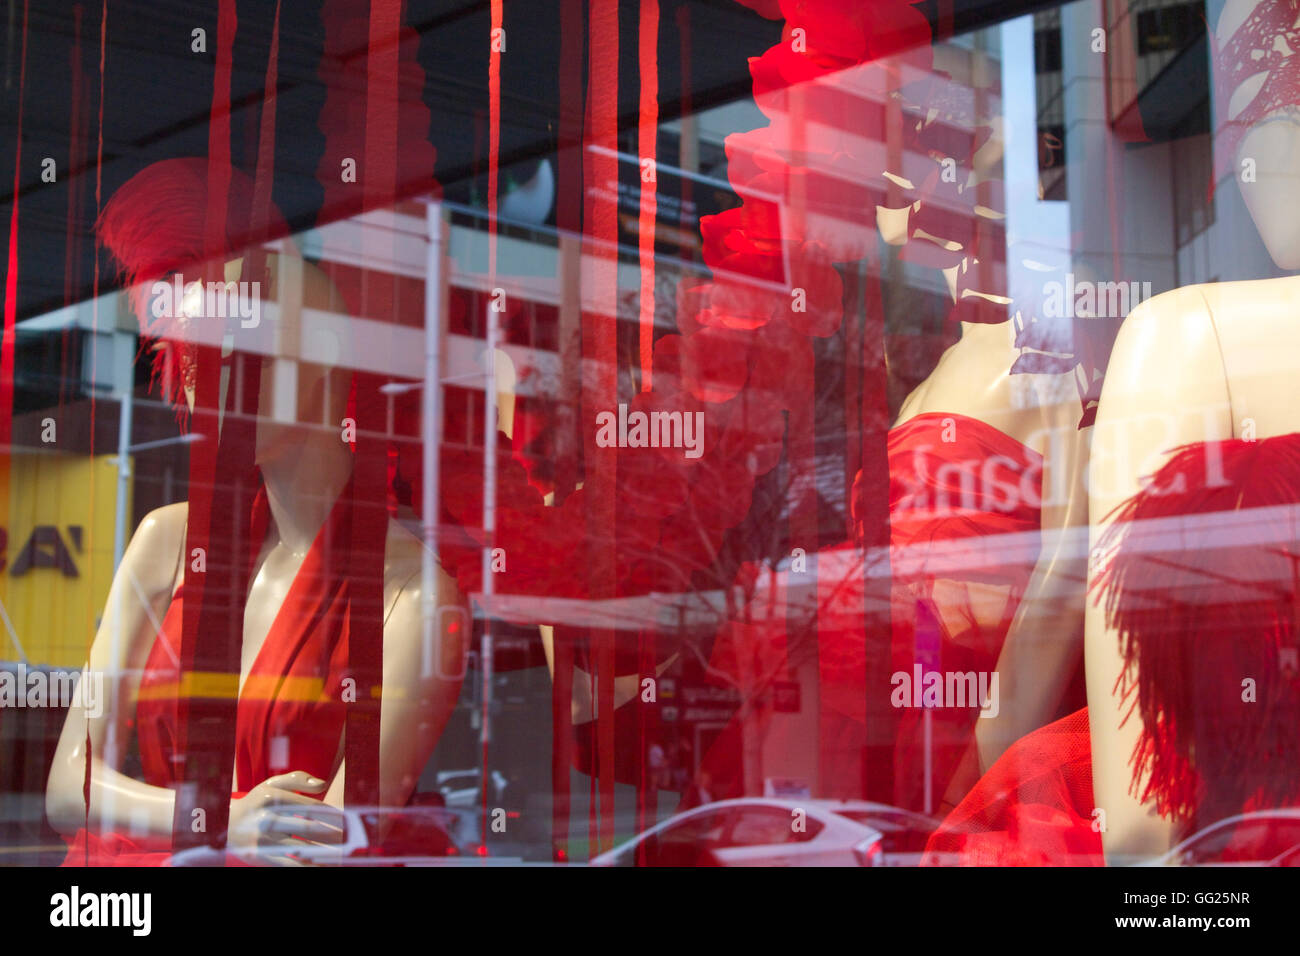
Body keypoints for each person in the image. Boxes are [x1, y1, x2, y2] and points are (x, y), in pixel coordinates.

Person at [45, 160, 468, 864]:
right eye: (198, 360)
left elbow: (338, 838)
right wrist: (218, 816)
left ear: (325, 356)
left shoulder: (415, 596)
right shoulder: (169, 541)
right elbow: (67, 787)